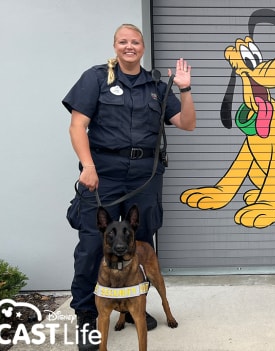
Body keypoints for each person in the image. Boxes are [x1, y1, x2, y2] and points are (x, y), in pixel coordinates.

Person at [63, 24, 196, 351]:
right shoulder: (95, 79)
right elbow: (77, 125)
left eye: (135, 42)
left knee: (138, 244)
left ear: (143, 47)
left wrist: (185, 89)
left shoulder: (156, 85)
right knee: (94, 245)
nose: (129, 46)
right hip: (103, 173)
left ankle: (134, 305)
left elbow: (187, 124)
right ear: (115, 45)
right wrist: (89, 167)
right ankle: (86, 318)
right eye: (123, 41)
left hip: (144, 176)